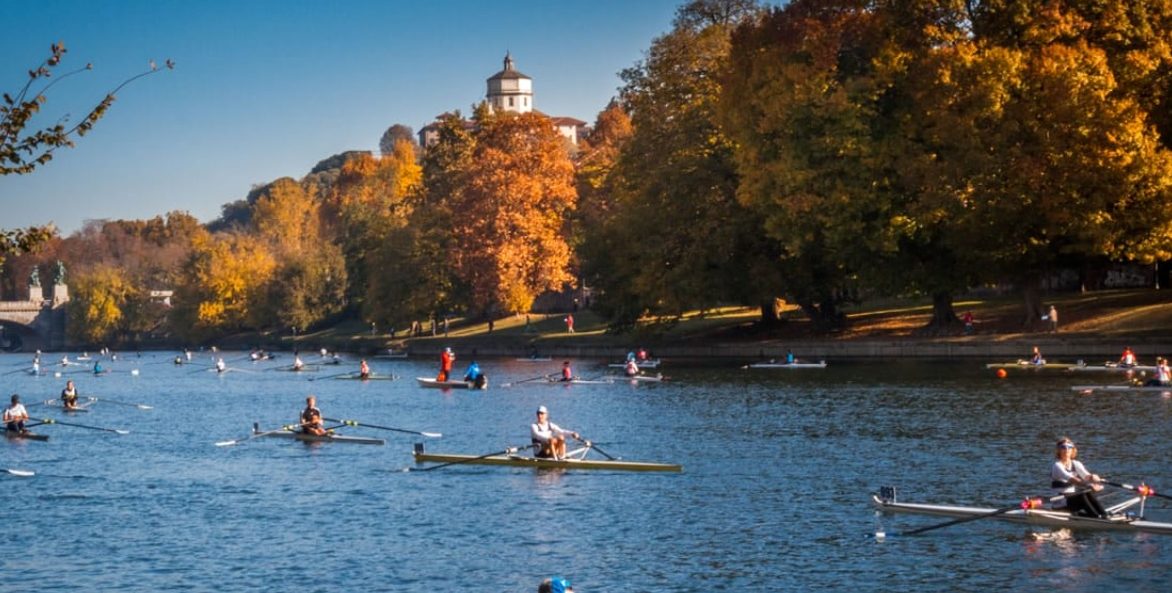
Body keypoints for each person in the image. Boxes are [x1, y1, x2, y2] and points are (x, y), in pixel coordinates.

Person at [1051, 437, 1108, 519]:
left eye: (1069, 447)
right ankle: (1098, 518)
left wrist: (1094, 478)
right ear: (1058, 450)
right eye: (1063, 447)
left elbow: (1087, 476)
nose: (1066, 449)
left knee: (1087, 493)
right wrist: (1090, 486)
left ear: (1072, 450)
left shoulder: (1076, 463)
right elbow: (1072, 479)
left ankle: (1103, 515)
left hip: (1071, 500)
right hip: (1060, 503)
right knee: (1083, 494)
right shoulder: (1057, 466)